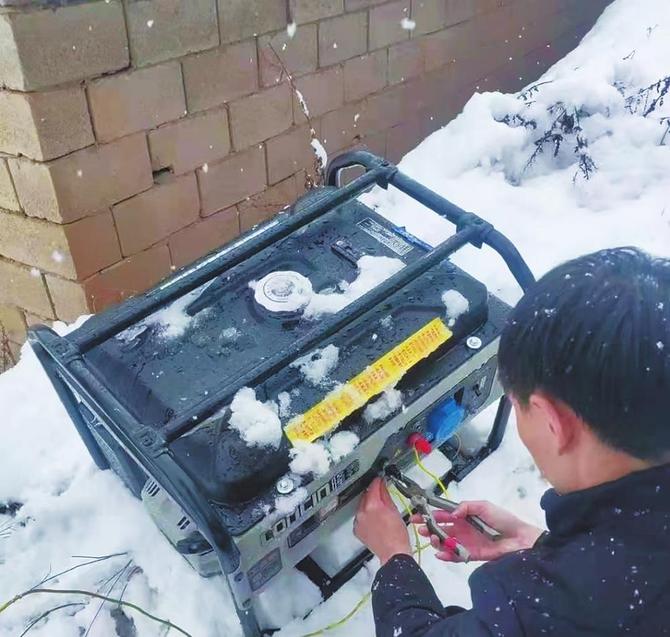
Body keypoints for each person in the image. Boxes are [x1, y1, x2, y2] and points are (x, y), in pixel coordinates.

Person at [354, 247, 670, 636]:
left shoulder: (546, 613)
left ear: (553, 423)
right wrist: (541, 546)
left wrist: (393, 556)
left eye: (517, 403)